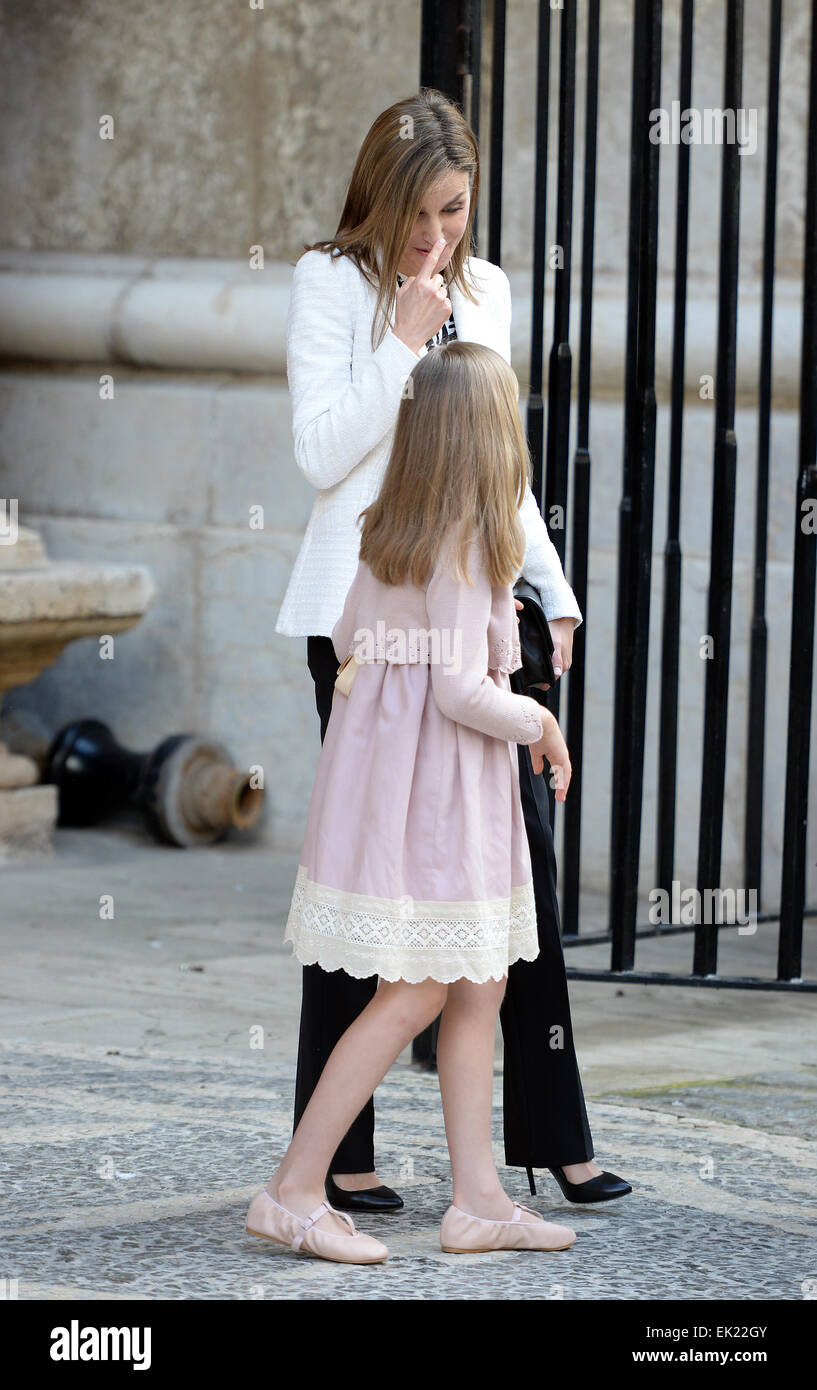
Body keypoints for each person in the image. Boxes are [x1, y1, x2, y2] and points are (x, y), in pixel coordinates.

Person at [274, 87, 631, 1213]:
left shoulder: (489, 290)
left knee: (508, 870)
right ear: (378, 204)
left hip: (482, 604)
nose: (435, 241)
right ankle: (339, 1155)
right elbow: (321, 455)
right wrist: (398, 342)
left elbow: (496, 457)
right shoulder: (330, 282)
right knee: (370, 875)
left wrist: (552, 587)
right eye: (417, 218)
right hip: (367, 622)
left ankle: (550, 1132)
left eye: (455, 214)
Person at [246, 341, 580, 1262]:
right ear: (490, 436)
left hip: (405, 787)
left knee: (480, 980)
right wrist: (538, 721)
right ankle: (293, 1188)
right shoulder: (469, 542)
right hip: (442, 795)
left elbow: (354, 638)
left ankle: (475, 1200)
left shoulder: (385, 525)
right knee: (417, 989)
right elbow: (458, 695)